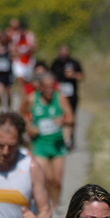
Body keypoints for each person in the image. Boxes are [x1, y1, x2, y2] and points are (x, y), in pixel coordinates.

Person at [20, 73, 74, 210]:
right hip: (39, 145)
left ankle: (54, 207)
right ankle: (46, 205)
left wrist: (63, 121)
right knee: (44, 178)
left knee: (56, 181)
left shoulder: (60, 98)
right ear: (40, 88)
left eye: (52, 87)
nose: (50, 90)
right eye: (47, 87)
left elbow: (72, 119)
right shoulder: (32, 98)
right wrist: (29, 127)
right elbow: (21, 115)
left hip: (57, 145)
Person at [51, 45, 83, 150]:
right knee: (59, 117)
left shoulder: (74, 63)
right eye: (62, 50)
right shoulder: (55, 63)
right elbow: (49, 78)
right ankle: (61, 139)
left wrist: (73, 75)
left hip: (72, 96)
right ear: (58, 51)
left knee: (71, 118)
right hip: (59, 96)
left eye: (66, 50)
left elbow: (81, 76)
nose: (64, 52)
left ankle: (71, 138)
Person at [10, 19, 37, 91]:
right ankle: (22, 95)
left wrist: (30, 48)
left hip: (28, 61)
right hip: (19, 61)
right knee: (20, 80)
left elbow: (34, 47)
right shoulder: (15, 36)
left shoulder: (30, 35)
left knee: (28, 82)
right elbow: (13, 49)